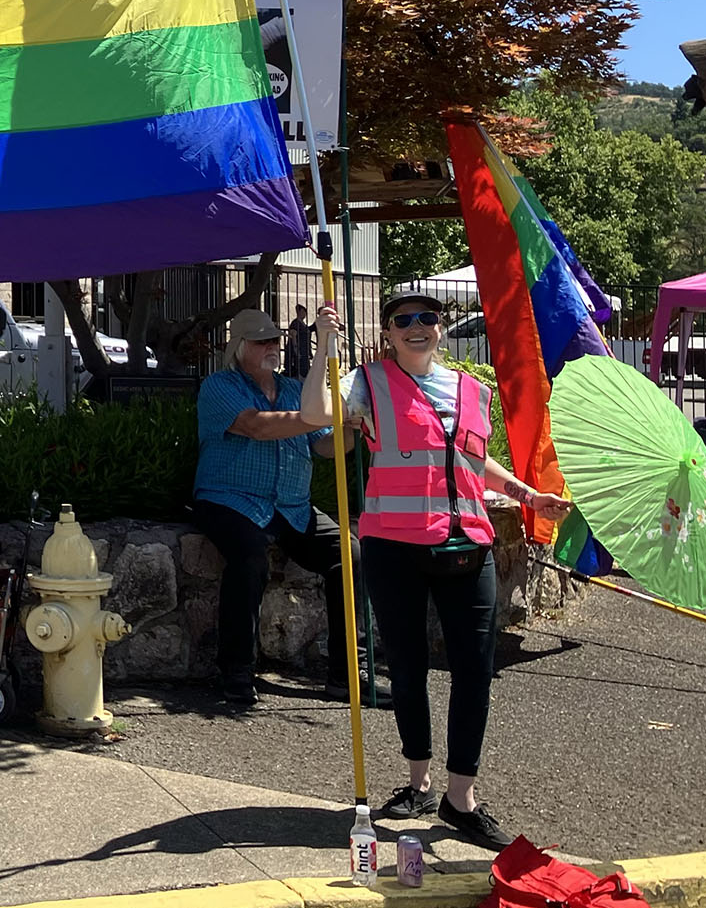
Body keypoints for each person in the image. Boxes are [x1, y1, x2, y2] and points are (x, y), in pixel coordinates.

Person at [301, 291, 569, 849]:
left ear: (442, 329)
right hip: (395, 547)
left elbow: (475, 461)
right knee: (408, 666)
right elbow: (312, 415)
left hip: (467, 545)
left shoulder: (474, 389)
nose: (417, 327)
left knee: (475, 670)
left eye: (428, 318)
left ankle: (460, 798)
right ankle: (419, 781)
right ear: (389, 333)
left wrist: (527, 494)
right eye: (404, 321)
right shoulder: (364, 383)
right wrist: (324, 341)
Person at [192, 306, 386, 708]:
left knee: (352, 559)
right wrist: (321, 416)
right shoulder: (218, 385)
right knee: (249, 560)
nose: (272, 347)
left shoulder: (297, 390)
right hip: (230, 500)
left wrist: (350, 427)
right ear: (239, 346)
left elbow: (326, 448)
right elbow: (258, 426)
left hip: (292, 505)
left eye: (274, 340)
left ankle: (350, 673)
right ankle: (237, 671)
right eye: (261, 340)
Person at [286, 304, 313, 378]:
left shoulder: (303, 323)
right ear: (300, 312)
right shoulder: (295, 323)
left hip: (305, 349)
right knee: (300, 369)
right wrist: (296, 350)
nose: (305, 314)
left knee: (305, 368)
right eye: (304, 312)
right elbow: (293, 337)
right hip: (300, 350)